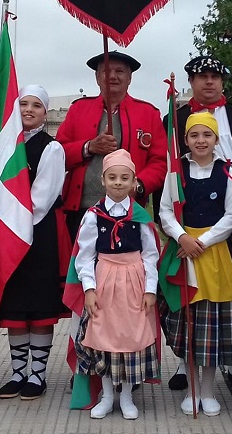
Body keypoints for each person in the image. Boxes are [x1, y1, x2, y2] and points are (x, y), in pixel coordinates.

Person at [163, 55, 232, 391]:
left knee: (230, 291)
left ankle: (231, 361)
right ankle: (182, 363)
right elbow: (169, 169)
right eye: (202, 76)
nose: (209, 82)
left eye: (215, 77)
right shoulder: (175, 119)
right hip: (188, 219)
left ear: (223, 81)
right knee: (187, 292)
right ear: (191, 81)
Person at [159, 112, 232, 417]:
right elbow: (166, 210)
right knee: (191, 328)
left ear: (216, 139)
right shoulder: (175, 171)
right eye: (194, 135)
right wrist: (182, 237)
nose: (200, 141)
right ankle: (192, 390)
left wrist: (202, 241)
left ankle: (208, 390)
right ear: (186, 139)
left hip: (213, 254)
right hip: (184, 253)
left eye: (207, 135)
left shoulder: (227, 171)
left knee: (212, 329)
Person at [0, 85, 70, 401]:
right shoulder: (2, 146)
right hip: (6, 233)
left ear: (45, 112)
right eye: (23, 104)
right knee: (15, 304)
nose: (28, 110)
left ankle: (37, 374)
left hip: (38, 234)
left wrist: (11, 219)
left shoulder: (52, 148)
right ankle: (17, 372)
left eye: (36, 106)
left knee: (38, 305)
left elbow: (42, 198)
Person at [74, 149, 159, 420]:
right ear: (103, 180)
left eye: (125, 177)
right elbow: (85, 255)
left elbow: (150, 255)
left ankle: (126, 396)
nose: (119, 182)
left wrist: (150, 289)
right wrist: (89, 288)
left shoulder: (140, 216)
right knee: (103, 336)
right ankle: (107, 395)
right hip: (105, 280)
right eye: (113, 177)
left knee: (130, 336)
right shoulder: (93, 216)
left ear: (134, 181)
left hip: (133, 280)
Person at [55, 51, 167, 240]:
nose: (113, 76)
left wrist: (139, 185)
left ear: (130, 78)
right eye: (106, 71)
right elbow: (57, 155)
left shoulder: (148, 113)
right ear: (97, 77)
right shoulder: (78, 110)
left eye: (120, 71)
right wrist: (89, 147)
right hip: (81, 212)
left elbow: (160, 162)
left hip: (129, 211)